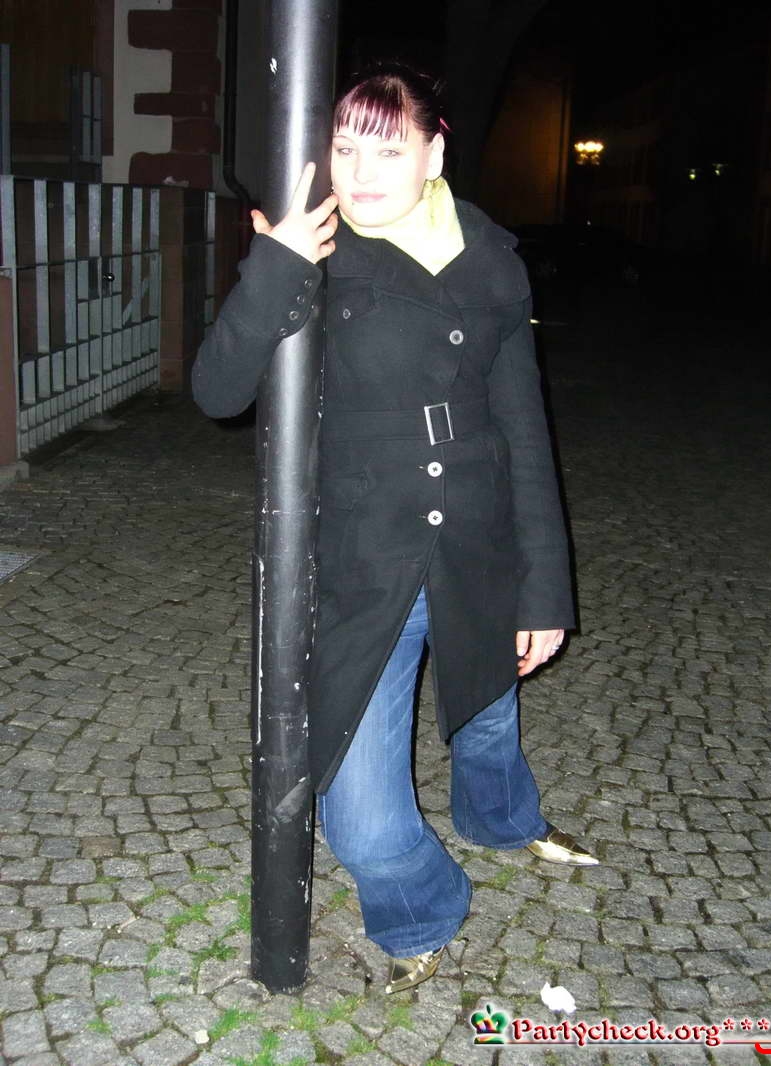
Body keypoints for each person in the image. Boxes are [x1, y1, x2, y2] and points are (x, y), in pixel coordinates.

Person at [192, 63, 597, 996]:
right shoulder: (315, 251)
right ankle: (424, 905)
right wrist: (275, 266)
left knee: (487, 705)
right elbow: (217, 391)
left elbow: (524, 428)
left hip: (480, 535)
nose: (362, 171)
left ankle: (502, 820)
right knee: (360, 816)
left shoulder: (490, 257)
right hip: (367, 555)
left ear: (433, 153)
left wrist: (543, 588)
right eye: (345, 147)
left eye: (387, 148)